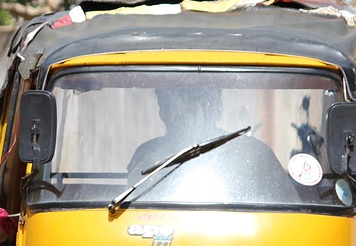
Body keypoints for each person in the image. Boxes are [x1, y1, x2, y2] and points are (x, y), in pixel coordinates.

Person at [126, 86, 299, 203]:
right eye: (180, 100)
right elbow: (132, 214)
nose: (192, 111)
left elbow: (291, 218)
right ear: (163, 110)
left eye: (200, 100)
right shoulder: (147, 156)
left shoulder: (255, 154)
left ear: (218, 107)